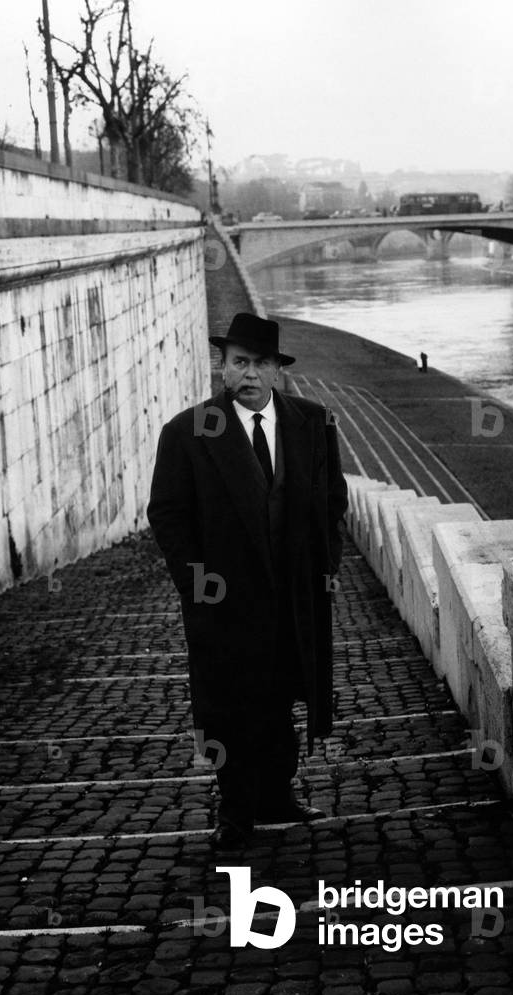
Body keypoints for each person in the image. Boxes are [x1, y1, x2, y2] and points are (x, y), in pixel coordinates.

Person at [147, 313, 348, 851]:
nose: (250, 374)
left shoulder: (312, 422)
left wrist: (324, 566)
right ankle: (235, 814)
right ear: (224, 367)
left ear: (277, 370)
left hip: (294, 599)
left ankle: (277, 796)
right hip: (225, 602)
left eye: (260, 363)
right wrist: (198, 586)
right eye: (239, 362)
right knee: (231, 708)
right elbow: (168, 516)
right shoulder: (187, 432)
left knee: (284, 697)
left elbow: (333, 501)